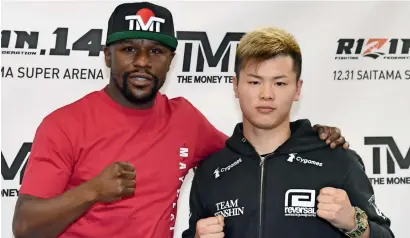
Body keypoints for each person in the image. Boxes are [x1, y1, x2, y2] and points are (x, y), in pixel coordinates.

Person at [11, 2, 349, 238]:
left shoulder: (184, 119)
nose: (142, 62)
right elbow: (25, 227)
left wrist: (311, 135)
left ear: (171, 60)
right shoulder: (64, 124)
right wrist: (91, 191)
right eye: (129, 49)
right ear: (106, 55)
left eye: (155, 52)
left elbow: (251, 146)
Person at [182, 27, 394, 238]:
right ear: (236, 86)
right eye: (255, 82)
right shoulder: (210, 171)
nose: (267, 94)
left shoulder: (337, 160)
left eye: (280, 83)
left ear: (297, 89)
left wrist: (354, 224)